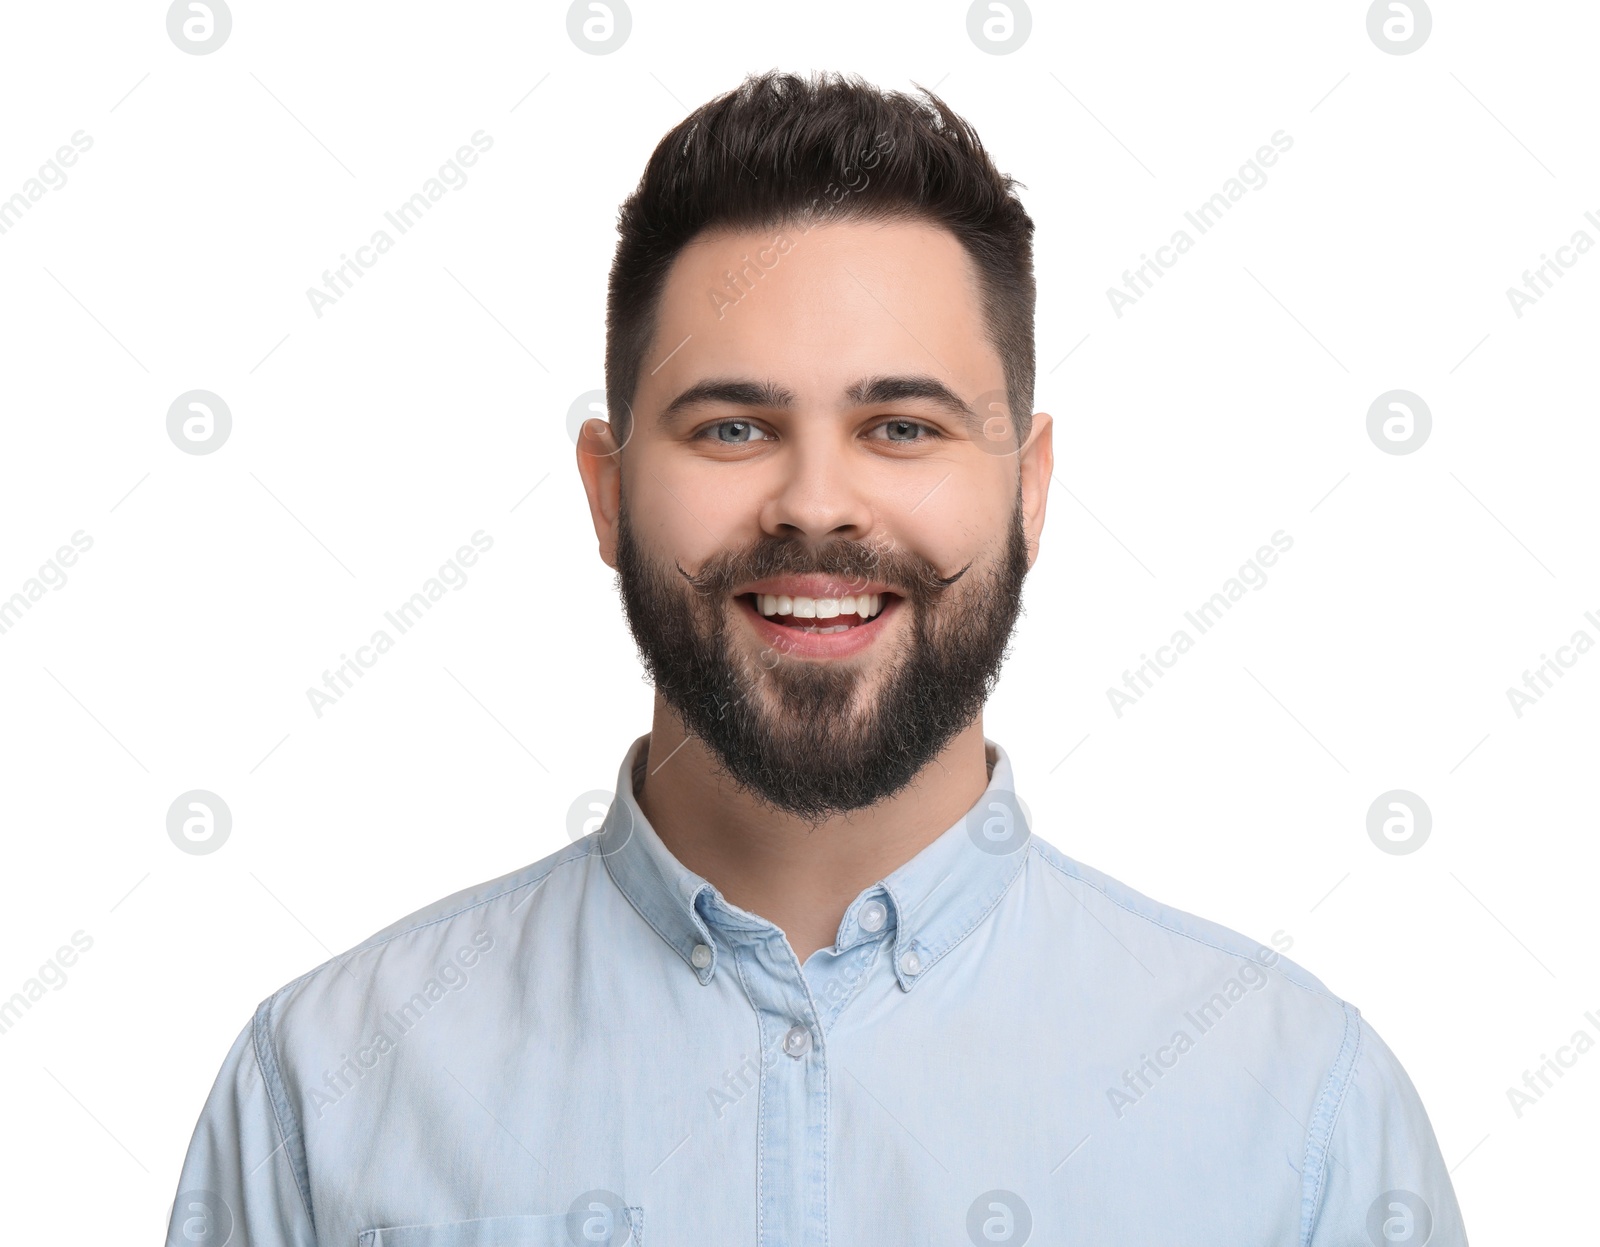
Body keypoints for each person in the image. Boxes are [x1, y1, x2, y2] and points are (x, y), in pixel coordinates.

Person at [167, 71, 1467, 1246]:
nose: (817, 505)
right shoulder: (323, 1089)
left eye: (902, 425)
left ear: (1029, 491)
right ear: (607, 495)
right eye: (733, 428)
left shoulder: (1300, 1113)